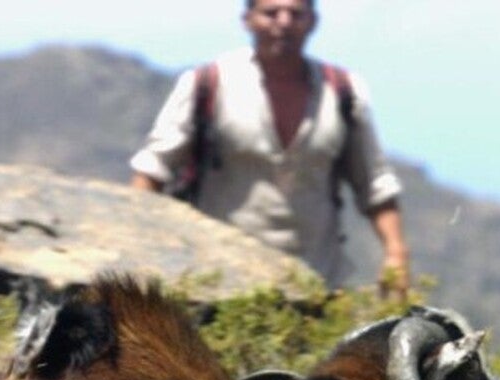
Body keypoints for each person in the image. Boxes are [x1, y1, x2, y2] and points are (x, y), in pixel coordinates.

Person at [130, 0, 410, 300]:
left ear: (313, 21)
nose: (284, 22)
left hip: (318, 284)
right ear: (248, 19)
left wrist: (395, 253)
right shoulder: (207, 85)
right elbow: (152, 169)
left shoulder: (342, 92)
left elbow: (374, 183)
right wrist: (136, 247)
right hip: (216, 284)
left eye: (295, 14)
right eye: (271, 13)